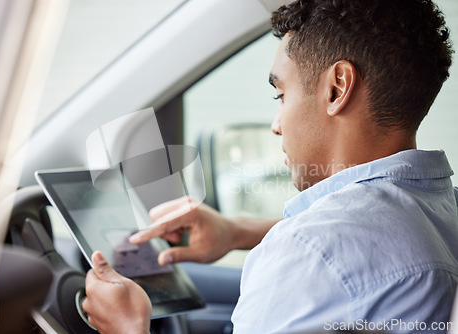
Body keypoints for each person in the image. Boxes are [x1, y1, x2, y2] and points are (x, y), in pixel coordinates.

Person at [83, 0, 458, 332]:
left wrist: (127, 328)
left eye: (281, 95)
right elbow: (374, 238)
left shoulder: (307, 251)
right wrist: (237, 232)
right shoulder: (446, 210)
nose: (276, 124)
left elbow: (337, 247)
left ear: (336, 88)